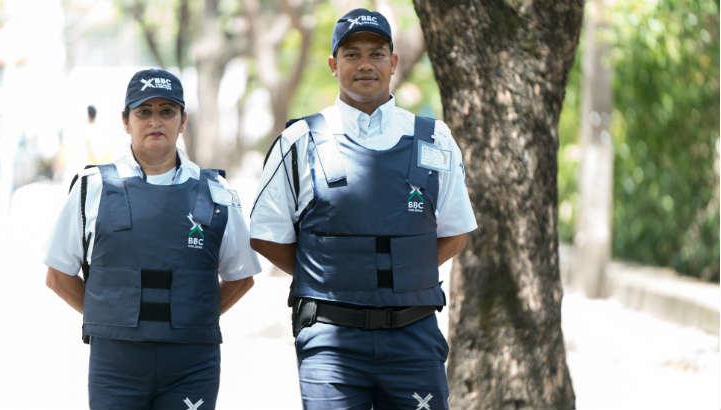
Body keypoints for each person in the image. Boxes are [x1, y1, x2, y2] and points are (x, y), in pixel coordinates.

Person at [249, 8, 477, 410]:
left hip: (414, 335)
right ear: (333, 65)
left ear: (393, 62)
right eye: (352, 54)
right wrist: (334, 271)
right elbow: (266, 236)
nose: (365, 64)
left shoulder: (434, 139)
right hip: (331, 341)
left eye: (376, 53)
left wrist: (404, 271)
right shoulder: (299, 141)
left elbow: (455, 231)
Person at [45, 68, 260, 410]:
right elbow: (58, 276)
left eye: (166, 111)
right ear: (126, 121)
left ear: (183, 120)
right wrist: (110, 315)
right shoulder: (92, 188)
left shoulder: (217, 192)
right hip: (116, 364)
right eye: (144, 111)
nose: (155, 121)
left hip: (192, 363)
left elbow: (241, 276)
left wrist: (193, 316)